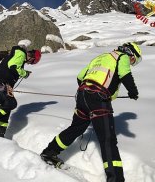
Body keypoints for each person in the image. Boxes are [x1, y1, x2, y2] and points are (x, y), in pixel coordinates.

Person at [40, 42, 142, 182]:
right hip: (98, 99)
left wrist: (87, 92)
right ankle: (116, 179)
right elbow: (125, 74)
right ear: (131, 53)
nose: (132, 63)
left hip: (82, 96)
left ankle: (49, 153)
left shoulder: (102, 57)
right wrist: (133, 91)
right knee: (108, 140)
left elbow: (80, 76)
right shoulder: (123, 56)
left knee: (76, 128)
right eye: (134, 60)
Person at [0, 45, 41, 137]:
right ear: (32, 57)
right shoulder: (20, 54)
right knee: (11, 104)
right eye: (33, 62)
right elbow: (13, 67)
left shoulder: (19, 56)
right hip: (1, 83)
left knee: (6, 108)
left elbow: (13, 68)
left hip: (3, 84)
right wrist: (25, 73)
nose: (30, 63)